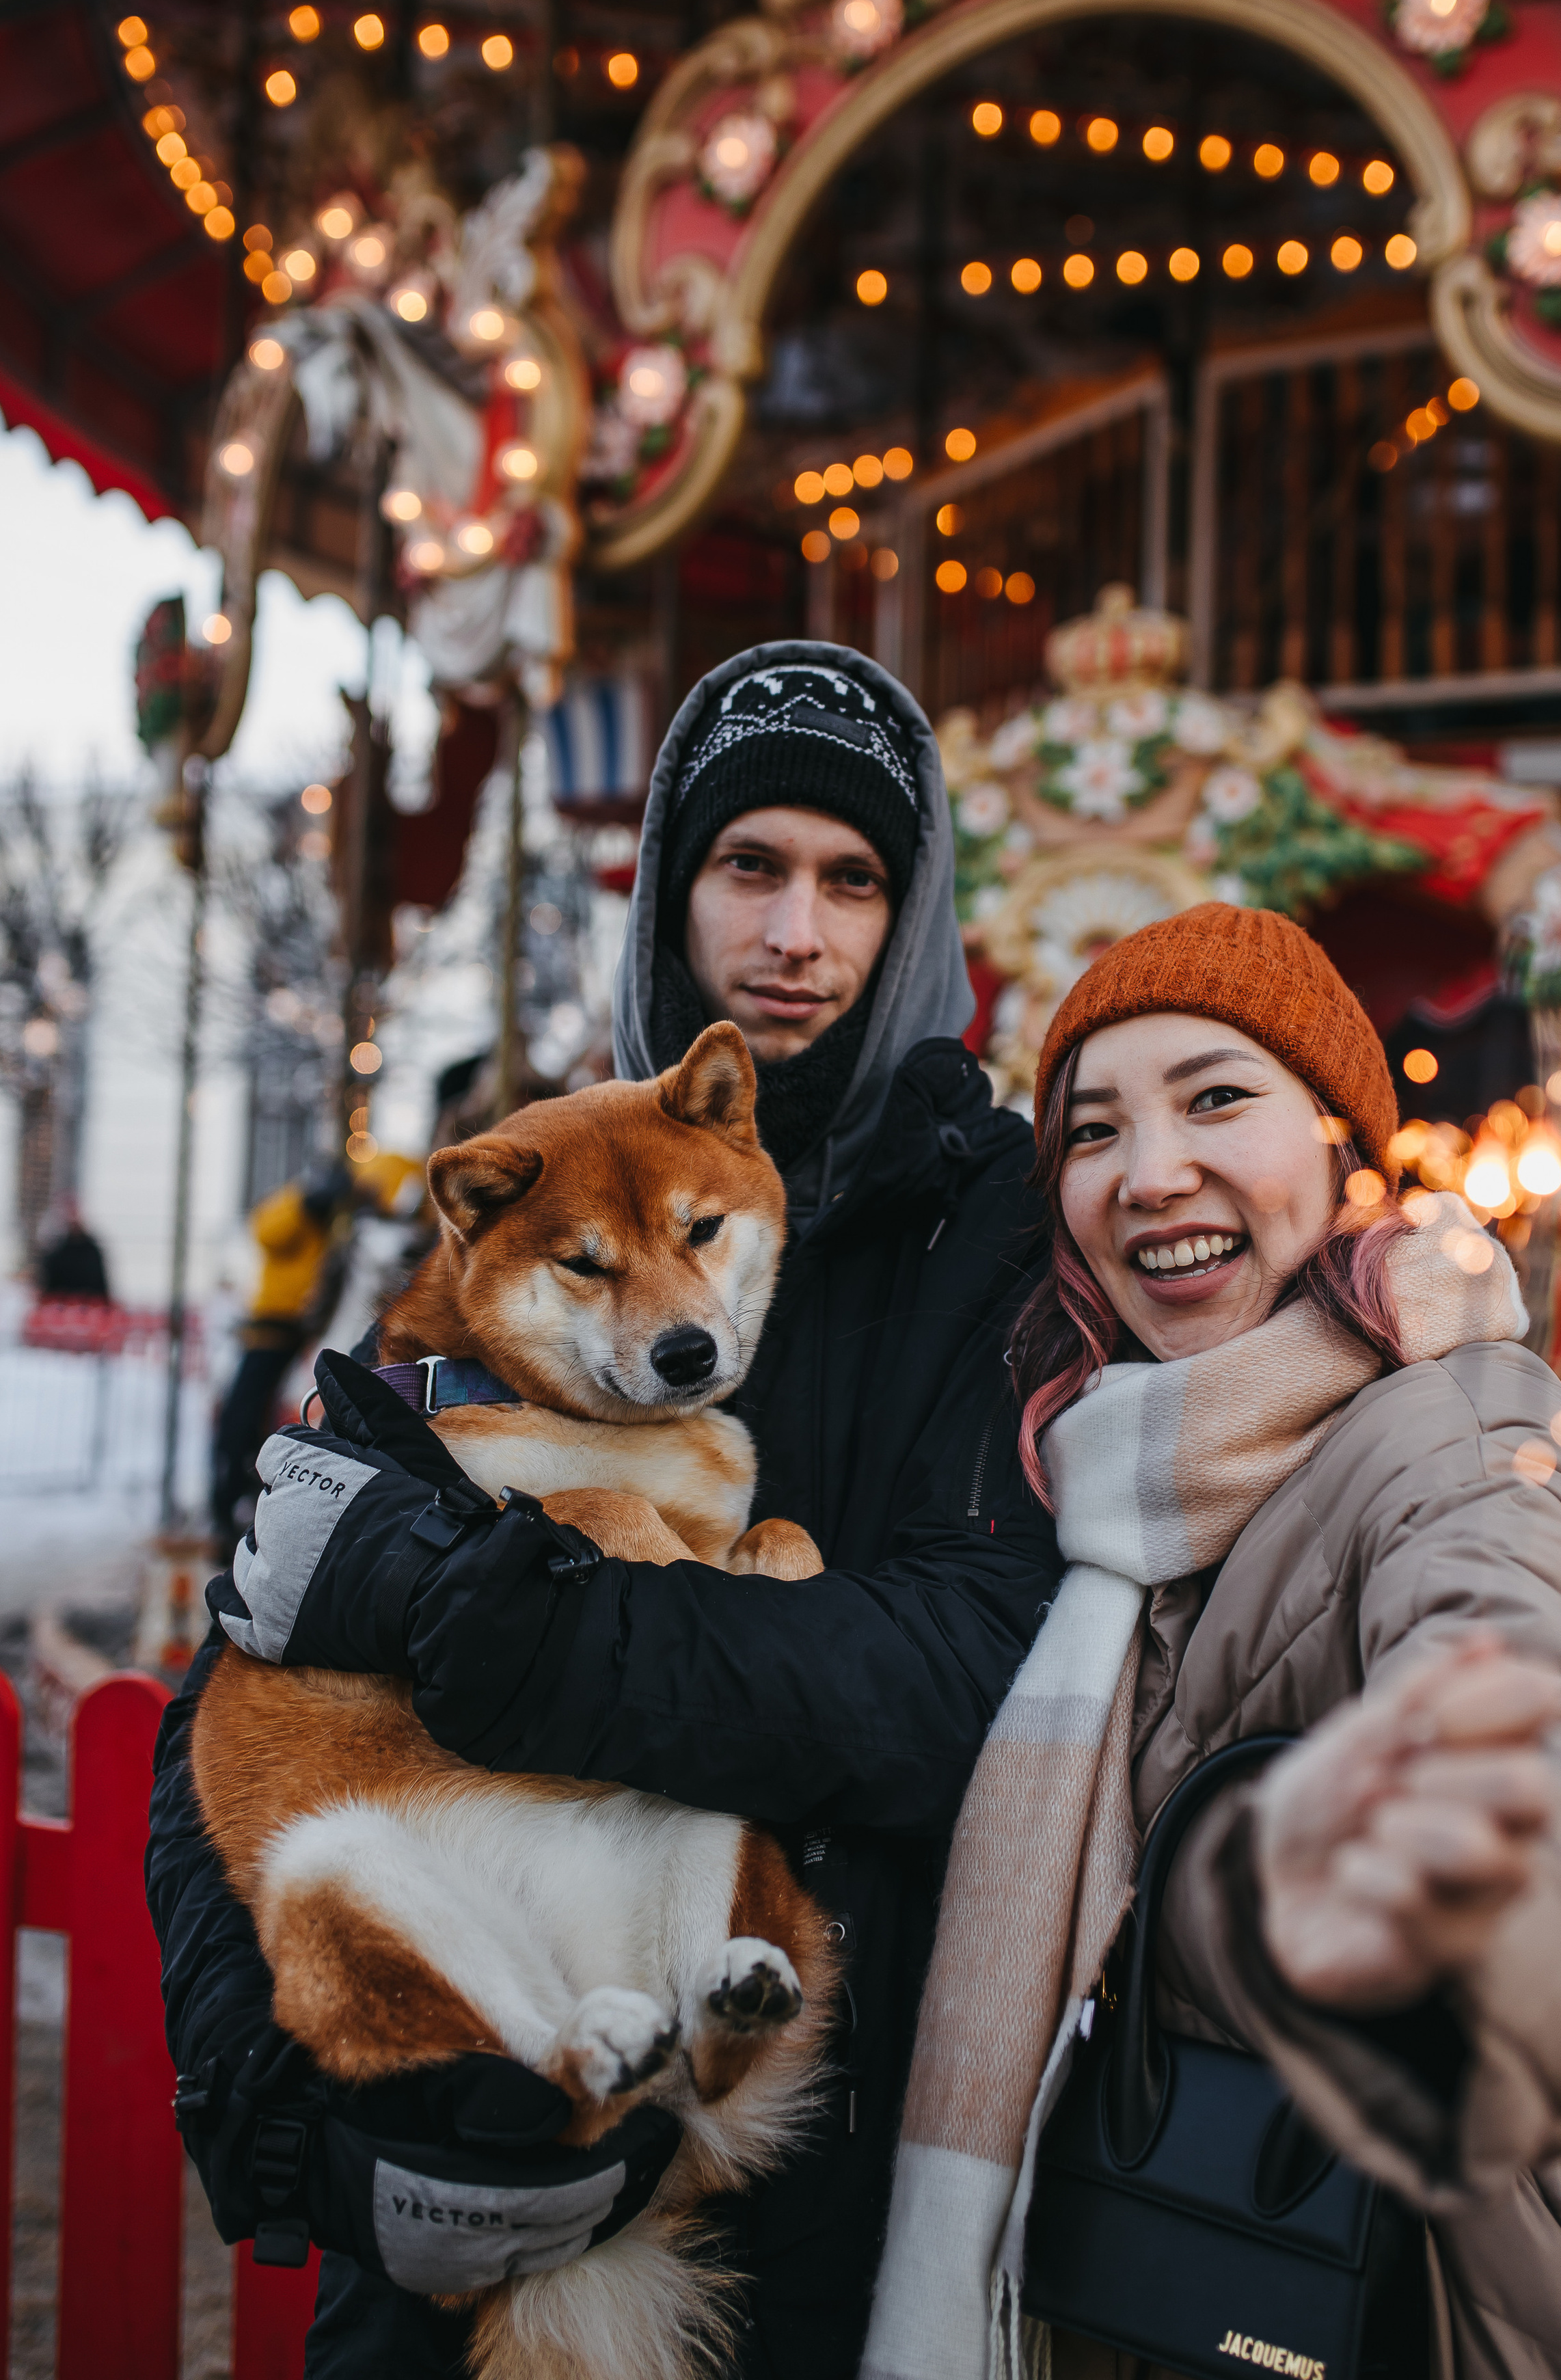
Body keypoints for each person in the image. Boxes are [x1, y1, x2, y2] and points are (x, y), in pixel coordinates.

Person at [147, 643, 1062, 2378]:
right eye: (749, 866)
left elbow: (950, 1669)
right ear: (669, 895)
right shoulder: (528, 1181)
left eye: (851, 878)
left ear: (912, 910)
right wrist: (298, 2104)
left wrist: (501, 1622)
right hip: (465, 2135)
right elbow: (245, 1687)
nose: (797, 930)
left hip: (797, 2177)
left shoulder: (992, 1237)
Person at [863, 902, 1561, 2380]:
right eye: (1091, 1132)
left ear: (1342, 1142)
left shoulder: (1454, 1435)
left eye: (1216, 1097)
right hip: (1206, 2273)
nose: (1151, 1175)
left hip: (1462, 2300)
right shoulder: (1127, 1482)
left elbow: (1522, 1702)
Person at [206, 1166, 353, 1546]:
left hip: (298, 1329)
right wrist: (307, 1203)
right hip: (272, 1327)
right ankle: (227, 1498)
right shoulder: (294, 1210)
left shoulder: (329, 1225)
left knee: (264, 1412)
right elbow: (266, 1230)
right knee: (245, 1413)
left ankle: (243, 1493)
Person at [35, 1202, 111, 1302]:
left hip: (89, 1304)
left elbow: (101, 1286)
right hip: (62, 1305)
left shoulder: (92, 1251)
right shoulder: (56, 1251)